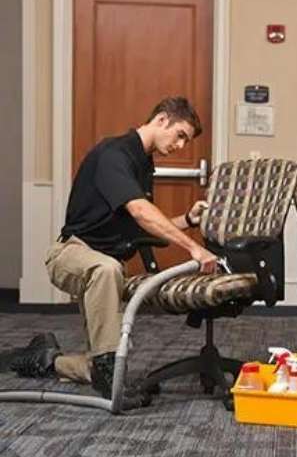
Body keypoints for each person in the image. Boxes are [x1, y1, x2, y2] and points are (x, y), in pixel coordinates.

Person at [10, 97, 218, 407]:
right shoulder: (114, 153)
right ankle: (111, 377)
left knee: (100, 345)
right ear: (162, 120)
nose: (181, 146)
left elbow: (142, 225)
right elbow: (140, 211)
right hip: (71, 254)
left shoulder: (143, 163)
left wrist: (188, 219)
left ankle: (49, 360)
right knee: (107, 270)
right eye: (180, 135)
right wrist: (194, 248)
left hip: (105, 265)